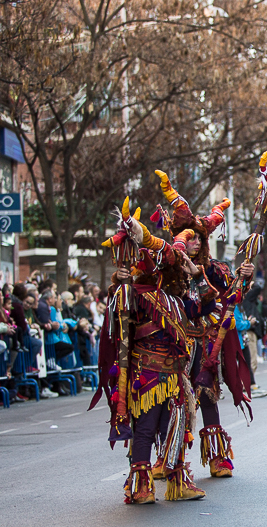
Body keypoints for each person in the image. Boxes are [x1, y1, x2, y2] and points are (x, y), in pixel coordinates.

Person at [93, 201, 211, 504]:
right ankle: (143, 487)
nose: (181, 275)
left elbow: (205, 307)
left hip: (174, 374)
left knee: (177, 426)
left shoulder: (177, 300)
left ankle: (176, 482)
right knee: (145, 428)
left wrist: (197, 276)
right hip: (147, 372)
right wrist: (118, 283)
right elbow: (117, 317)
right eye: (177, 269)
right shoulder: (137, 295)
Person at [155, 170, 255, 479]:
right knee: (172, 400)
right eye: (189, 236)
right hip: (174, 343)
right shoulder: (166, 270)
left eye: (199, 237)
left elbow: (230, 298)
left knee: (206, 394)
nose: (195, 242)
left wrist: (245, 277)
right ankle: (168, 458)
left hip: (206, 341)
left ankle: (216, 457)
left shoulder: (216, 270)